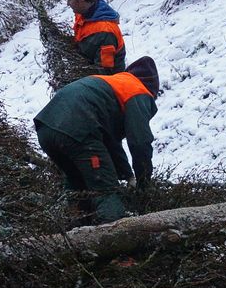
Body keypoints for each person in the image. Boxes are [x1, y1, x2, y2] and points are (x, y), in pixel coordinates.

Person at [34, 55, 159, 226]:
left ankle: (76, 235)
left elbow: (110, 142)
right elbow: (140, 142)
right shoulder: (138, 91)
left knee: (78, 184)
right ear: (151, 89)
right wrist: (144, 183)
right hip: (78, 129)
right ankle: (115, 239)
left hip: (46, 128)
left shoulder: (113, 84)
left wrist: (128, 175)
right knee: (105, 189)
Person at [64, 0, 124, 74]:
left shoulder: (105, 32)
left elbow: (105, 74)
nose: (68, 3)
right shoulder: (83, 13)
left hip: (108, 82)